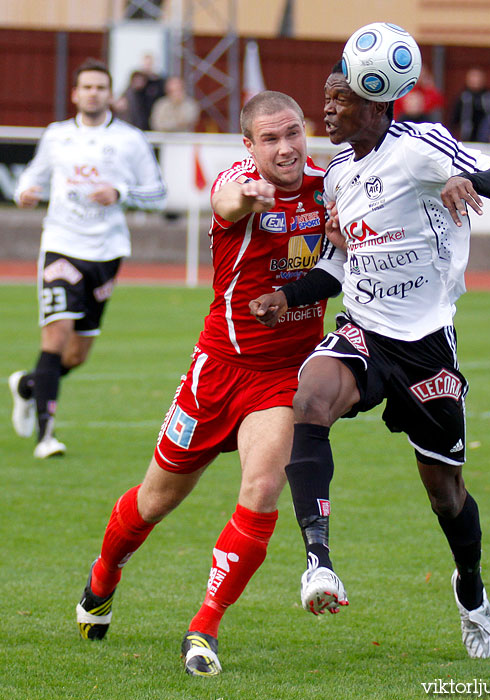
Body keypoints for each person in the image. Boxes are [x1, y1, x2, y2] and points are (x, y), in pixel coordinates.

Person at [250, 59, 490, 659]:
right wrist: (288, 295)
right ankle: (318, 564)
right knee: (310, 401)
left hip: (427, 350)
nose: (324, 111)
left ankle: (472, 589)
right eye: (324, 99)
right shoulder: (337, 178)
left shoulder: (421, 146)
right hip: (365, 332)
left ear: (377, 105)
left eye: (337, 100)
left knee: (446, 496)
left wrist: (468, 178)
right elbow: (337, 263)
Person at [74, 90, 341, 677]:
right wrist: (247, 194)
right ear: (249, 145)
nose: (285, 147)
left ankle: (205, 627)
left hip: (278, 377)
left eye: (293, 133)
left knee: (263, 487)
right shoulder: (239, 182)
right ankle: (103, 576)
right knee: (154, 501)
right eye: (269, 139)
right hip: (217, 370)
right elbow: (225, 201)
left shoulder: (332, 185)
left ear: (306, 133)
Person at [9, 58, 167, 459]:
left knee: (76, 354)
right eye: (87, 87)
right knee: (56, 335)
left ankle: (29, 387)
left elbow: (158, 193)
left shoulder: (130, 140)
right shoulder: (57, 136)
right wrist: (24, 191)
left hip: (106, 251)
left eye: (100, 87)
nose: (93, 93)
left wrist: (121, 192)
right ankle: (46, 436)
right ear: (75, 93)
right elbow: (33, 175)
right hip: (62, 244)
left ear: (108, 95)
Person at [450, 67, 490, 142]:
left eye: (478, 77)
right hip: (468, 136)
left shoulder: (489, 96)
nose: (475, 80)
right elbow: (454, 118)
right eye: (473, 77)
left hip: (487, 137)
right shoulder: (463, 97)